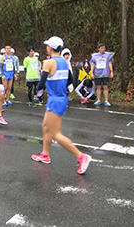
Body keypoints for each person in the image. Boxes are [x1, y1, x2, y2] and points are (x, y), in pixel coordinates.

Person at [31, 36, 92, 175]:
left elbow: (41, 83)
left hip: (55, 99)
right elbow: (70, 79)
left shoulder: (48, 62)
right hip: (61, 97)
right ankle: (45, 155)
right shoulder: (64, 62)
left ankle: (82, 156)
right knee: (46, 127)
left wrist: (38, 93)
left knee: (55, 134)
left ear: (50, 48)